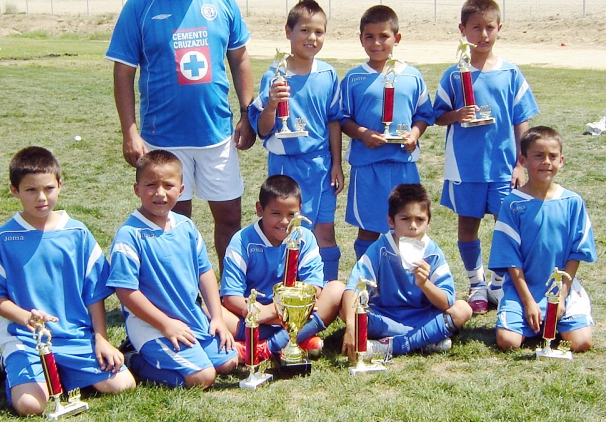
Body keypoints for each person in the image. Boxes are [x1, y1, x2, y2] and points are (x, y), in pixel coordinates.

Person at [106, 0, 256, 273]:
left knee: (230, 219)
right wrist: (130, 131)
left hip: (216, 135)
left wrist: (246, 113)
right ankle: (184, 294)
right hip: (163, 140)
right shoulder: (139, 7)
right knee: (171, 224)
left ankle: (229, 293)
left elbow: (240, 58)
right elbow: (123, 72)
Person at [0, 147, 135, 416]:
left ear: (60, 185)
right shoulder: (2, 238)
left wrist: (102, 339)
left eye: (48, 188)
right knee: (30, 406)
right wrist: (25, 317)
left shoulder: (77, 232)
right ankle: (9, 363)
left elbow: (94, 293)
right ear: (14, 191)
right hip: (26, 338)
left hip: (74, 336)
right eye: (30, 190)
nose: (41, 197)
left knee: (123, 384)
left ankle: (55, 371)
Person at [433, 0, 539, 315]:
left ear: (499, 28)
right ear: (462, 30)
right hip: (466, 168)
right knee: (469, 225)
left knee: (505, 225)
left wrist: (522, 162)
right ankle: (476, 283)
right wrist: (457, 114)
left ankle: (497, 282)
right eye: (476, 28)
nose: (483, 35)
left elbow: (522, 120)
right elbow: (438, 116)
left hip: (504, 166)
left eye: (489, 28)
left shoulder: (510, 73)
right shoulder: (454, 74)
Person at [107, 150, 237, 388]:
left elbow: (204, 272)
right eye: (150, 184)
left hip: (190, 318)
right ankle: (134, 359)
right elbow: (125, 291)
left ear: (181, 189)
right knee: (203, 377)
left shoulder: (185, 226)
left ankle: (173, 354)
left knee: (229, 362)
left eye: (168, 185)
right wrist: (165, 324)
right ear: (137, 189)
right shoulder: (129, 235)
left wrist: (217, 317)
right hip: (152, 325)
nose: (160, 192)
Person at [248, 0, 344, 281]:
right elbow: (263, 130)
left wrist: (337, 163)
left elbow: (333, 121)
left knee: (325, 229)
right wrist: (271, 105)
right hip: (286, 167)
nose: (311, 38)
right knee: (287, 230)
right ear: (288, 32)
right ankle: (288, 287)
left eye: (318, 31)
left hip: (321, 165)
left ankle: (327, 290)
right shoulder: (274, 75)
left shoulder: (327, 74)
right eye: (304, 30)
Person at [488, 126, 596, 352]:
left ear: (561, 160)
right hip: (522, 289)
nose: (546, 162)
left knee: (582, 342)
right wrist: (527, 302)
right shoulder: (513, 204)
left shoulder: (572, 202)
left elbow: (577, 252)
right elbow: (510, 259)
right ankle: (530, 316)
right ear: (523, 160)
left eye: (552, 156)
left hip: (561, 289)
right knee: (507, 342)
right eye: (538, 155)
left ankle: (555, 319)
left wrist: (563, 295)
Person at [340, 5, 434, 260]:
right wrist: (362, 134)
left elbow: (424, 114)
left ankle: (408, 280)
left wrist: (415, 133)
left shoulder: (412, 76)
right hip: (368, 166)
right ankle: (366, 281)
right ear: (361, 39)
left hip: (403, 166)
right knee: (369, 229)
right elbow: (342, 118)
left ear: (397, 38)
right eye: (369, 36)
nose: (376, 43)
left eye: (384, 36)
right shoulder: (354, 78)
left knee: (408, 226)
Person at [341, 184, 472, 361]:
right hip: (385, 318)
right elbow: (354, 288)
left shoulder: (432, 253)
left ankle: (387, 346)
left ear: (428, 222)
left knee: (463, 309)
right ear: (391, 221)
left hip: (422, 317)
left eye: (420, 220)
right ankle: (426, 340)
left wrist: (425, 284)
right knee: (345, 310)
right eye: (405, 219)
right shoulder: (379, 249)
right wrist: (351, 325)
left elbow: (446, 303)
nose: (413, 226)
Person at [220, 175, 344, 361]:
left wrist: (282, 313)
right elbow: (230, 297)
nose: (285, 222)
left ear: (300, 211)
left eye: (291, 215)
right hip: (255, 316)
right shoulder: (241, 241)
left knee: (336, 290)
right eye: (276, 213)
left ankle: (266, 347)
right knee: (210, 312)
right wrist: (268, 313)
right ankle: (298, 340)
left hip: (294, 314)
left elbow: (314, 287)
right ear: (259, 209)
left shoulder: (305, 238)